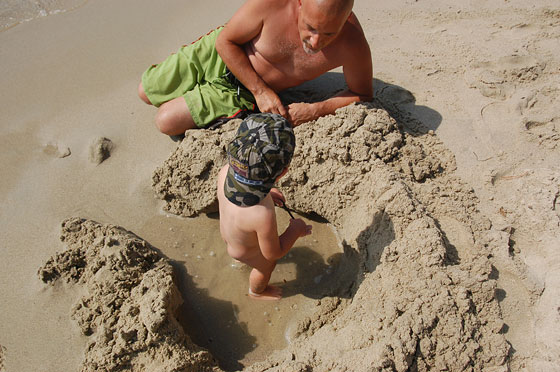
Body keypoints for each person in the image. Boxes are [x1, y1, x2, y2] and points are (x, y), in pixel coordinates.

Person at [138, 0, 373, 136]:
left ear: (345, 21)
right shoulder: (273, 4)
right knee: (145, 92)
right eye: (310, 28)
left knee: (166, 121)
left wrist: (315, 110)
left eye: (329, 33)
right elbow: (225, 42)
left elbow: (362, 93)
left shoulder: (353, 43)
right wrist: (262, 91)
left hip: (240, 93)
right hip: (220, 53)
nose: (315, 42)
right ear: (300, 3)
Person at [217, 113, 312, 300]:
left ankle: (243, 264)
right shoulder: (262, 215)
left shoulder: (224, 173)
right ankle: (257, 292)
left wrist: (268, 193)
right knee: (265, 266)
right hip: (246, 251)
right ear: (283, 172)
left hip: (230, 237)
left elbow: (243, 190)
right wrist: (295, 230)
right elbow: (273, 253)